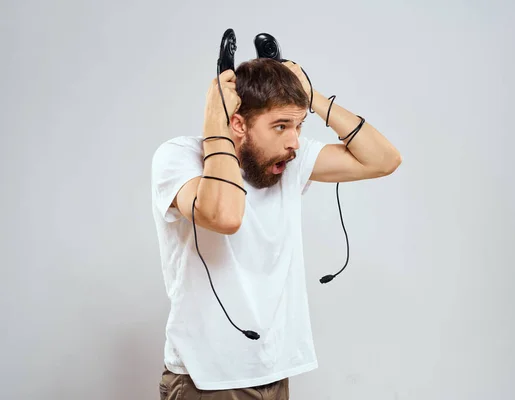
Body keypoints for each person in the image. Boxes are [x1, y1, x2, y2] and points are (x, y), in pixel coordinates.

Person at [151, 57, 402, 400]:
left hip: (274, 374)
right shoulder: (179, 157)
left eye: (299, 125)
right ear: (237, 123)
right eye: (281, 126)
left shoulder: (286, 162)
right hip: (207, 381)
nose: (295, 141)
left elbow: (383, 160)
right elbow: (225, 215)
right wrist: (216, 122)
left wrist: (312, 96)